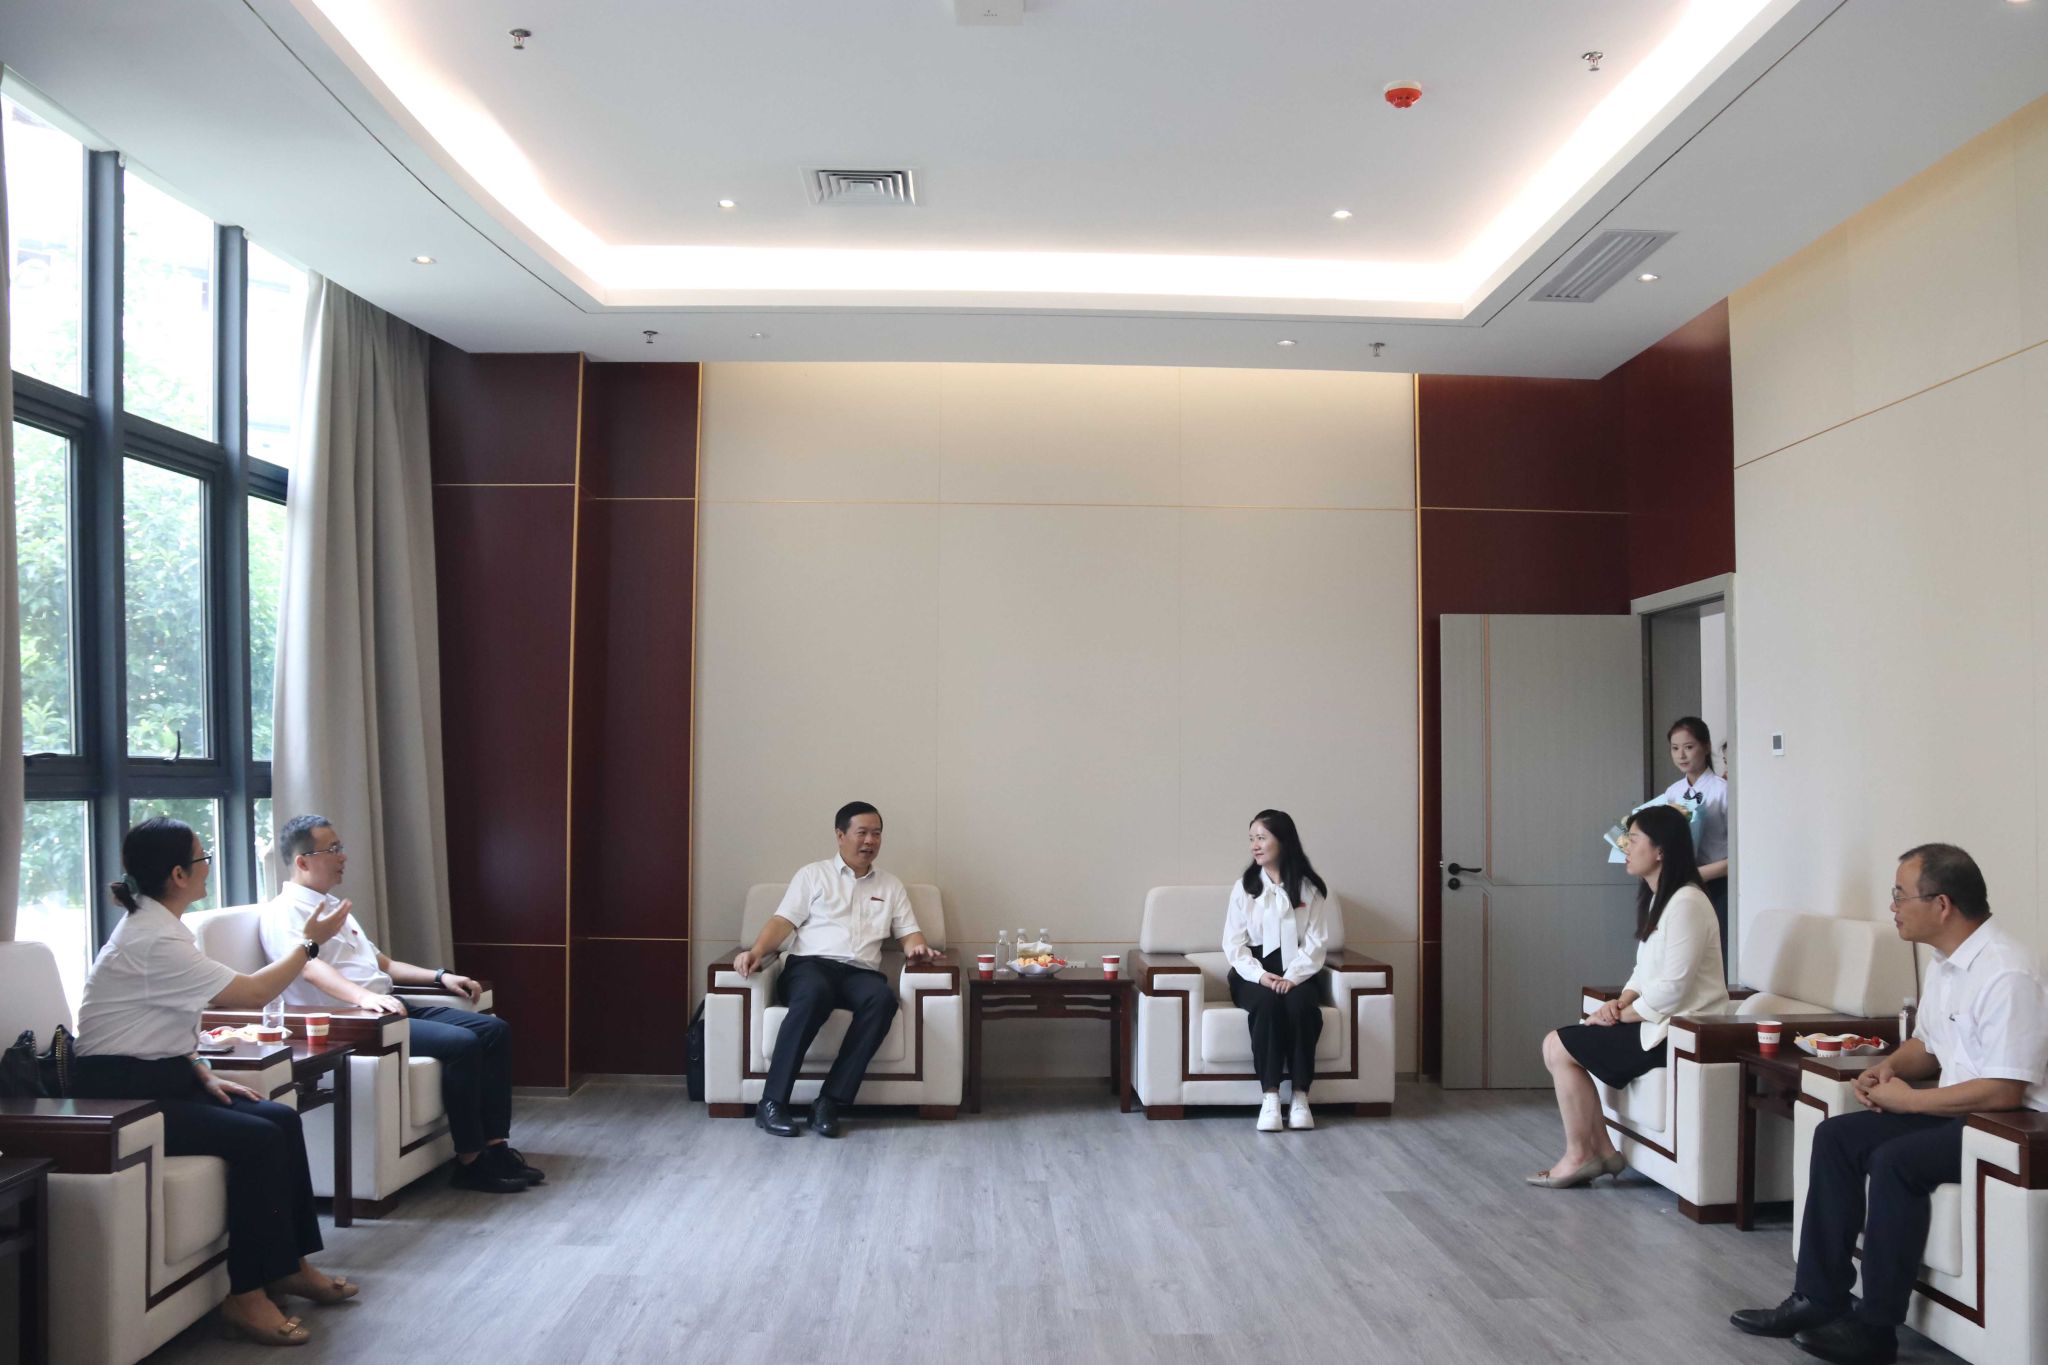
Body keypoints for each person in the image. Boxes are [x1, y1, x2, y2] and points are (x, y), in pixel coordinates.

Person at [1732, 844, 2048, 1365]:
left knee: (1895, 1161)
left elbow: (2005, 1090)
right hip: (1958, 1113)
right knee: (1837, 1137)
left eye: (1900, 896)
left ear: (1941, 904)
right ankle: (1818, 1298)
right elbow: (1929, 1045)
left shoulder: (2007, 973)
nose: (1893, 908)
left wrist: (1912, 1102)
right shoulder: (1946, 965)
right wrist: (1890, 1068)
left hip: (2005, 1129)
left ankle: (1876, 1330)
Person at [72, 817, 356, 1347]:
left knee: (280, 1118)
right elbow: (251, 994)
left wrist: (200, 1070)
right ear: (178, 874)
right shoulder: (152, 939)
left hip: (161, 1076)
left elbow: (159, 1022)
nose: (208, 867)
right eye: (203, 859)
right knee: (257, 1138)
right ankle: (245, 1296)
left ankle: (289, 1266)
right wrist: (309, 944)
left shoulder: (161, 928)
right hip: (122, 1094)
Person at [257, 814, 541, 1194]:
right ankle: (471, 1162)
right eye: (333, 849)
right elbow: (309, 968)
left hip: (387, 1004)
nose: (343, 856)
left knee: (494, 1030)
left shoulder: (333, 906)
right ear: (302, 861)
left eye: (341, 847)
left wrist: (439, 976)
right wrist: (365, 997)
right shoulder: (283, 912)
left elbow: (383, 963)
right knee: (463, 1044)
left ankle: (496, 1148)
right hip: (351, 1019)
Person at [1530, 803, 1727, 1188]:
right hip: (1655, 1021)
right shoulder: (1662, 897)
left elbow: (1673, 989)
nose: (1625, 848)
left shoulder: (1687, 902)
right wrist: (1620, 1001)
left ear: (1661, 850)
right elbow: (1644, 969)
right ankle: (1598, 1152)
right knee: (1558, 1045)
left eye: (1633, 840)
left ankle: (1585, 1155)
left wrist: (1621, 1015)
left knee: (1560, 1043)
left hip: (1678, 1032)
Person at [732, 801, 939, 1138]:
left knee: (882, 1000)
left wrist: (917, 948)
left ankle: (828, 1102)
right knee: (814, 994)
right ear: (840, 835)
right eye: (862, 833)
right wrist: (756, 952)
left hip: (860, 973)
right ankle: (771, 1103)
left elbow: (909, 934)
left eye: (876, 834)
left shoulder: (890, 886)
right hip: (810, 967)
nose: (870, 841)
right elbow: (782, 922)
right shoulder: (813, 875)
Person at [1221, 809, 1334, 1132]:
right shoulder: (1244, 887)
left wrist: (1293, 977)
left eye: (1262, 838)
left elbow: (1316, 943)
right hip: (1253, 971)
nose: (1254, 846)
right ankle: (1270, 1097)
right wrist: (1260, 975)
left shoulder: (1311, 889)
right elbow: (1233, 944)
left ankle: (1300, 1096)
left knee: (1301, 1007)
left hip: (1298, 968)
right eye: (1252, 839)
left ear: (1283, 841)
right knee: (1267, 1005)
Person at [1661, 716, 1730, 961]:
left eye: (1689, 747)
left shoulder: (1723, 790)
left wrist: (1698, 873)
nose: (1681, 755)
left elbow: (1740, 851)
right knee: (1685, 950)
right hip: (1682, 882)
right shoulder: (1673, 792)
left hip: (1717, 882)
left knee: (1717, 949)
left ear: (1706, 746)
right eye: (1675, 748)